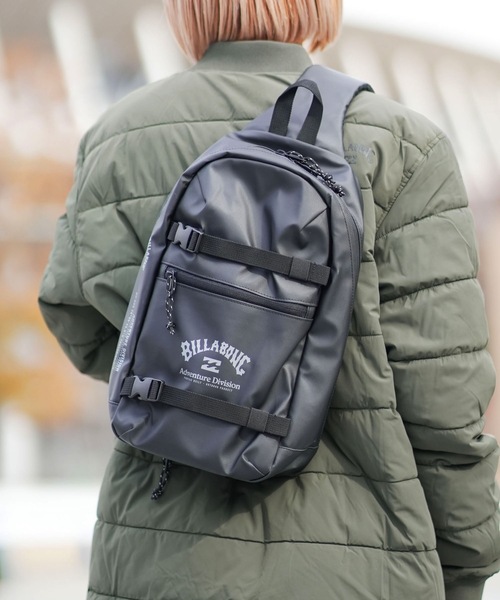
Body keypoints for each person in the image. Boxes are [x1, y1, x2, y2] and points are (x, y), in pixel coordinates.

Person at [38, 1, 500, 598]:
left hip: (156, 557)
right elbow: (442, 396)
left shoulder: (117, 137)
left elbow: (74, 314)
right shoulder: (402, 147)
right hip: (359, 568)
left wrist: (191, 374)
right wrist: (466, 564)